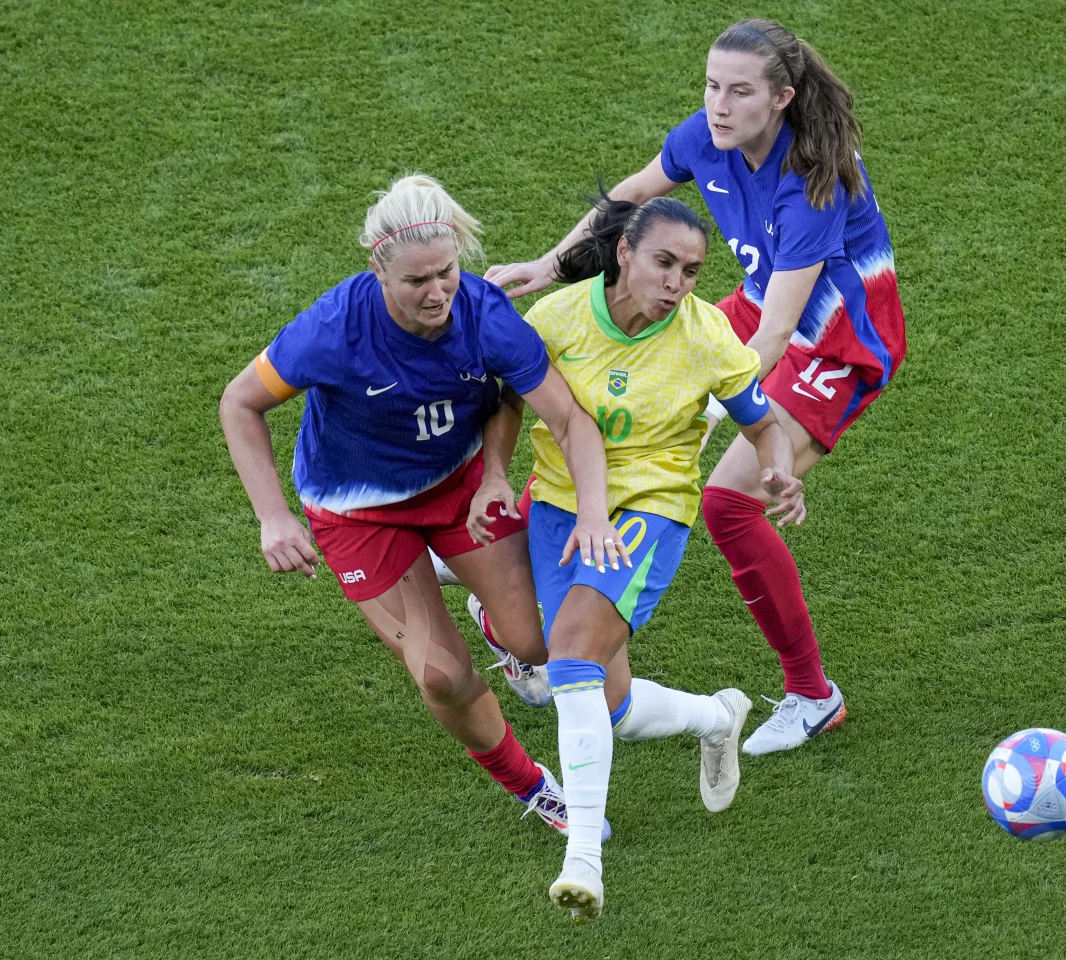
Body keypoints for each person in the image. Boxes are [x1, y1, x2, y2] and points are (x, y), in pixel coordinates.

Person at [485, 19, 906, 756]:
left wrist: (704, 410)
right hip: (762, 301)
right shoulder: (707, 137)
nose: (719, 104)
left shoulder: (814, 183)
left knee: (730, 504)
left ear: (781, 98)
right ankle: (532, 613)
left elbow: (776, 334)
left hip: (835, 340)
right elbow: (630, 201)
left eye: (739, 92)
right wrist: (548, 266)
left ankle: (813, 694)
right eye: (712, 86)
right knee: (604, 413)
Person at [219, 174, 627, 837]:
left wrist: (522, 483)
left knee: (537, 640)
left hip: (457, 489)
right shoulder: (333, 329)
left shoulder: (484, 313)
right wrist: (272, 515)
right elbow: (240, 403)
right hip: (358, 514)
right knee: (441, 675)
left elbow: (566, 419)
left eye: (446, 273)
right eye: (417, 282)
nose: (438, 292)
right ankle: (534, 786)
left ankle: (499, 630)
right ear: (378, 270)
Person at [516, 189, 804, 920]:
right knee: (603, 703)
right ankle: (715, 717)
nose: (677, 283)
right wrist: (491, 474)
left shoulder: (707, 338)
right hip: (557, 506)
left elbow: (763, 424)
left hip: (649, 508)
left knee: (572, 658)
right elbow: (505, 401)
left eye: (693, 270)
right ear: (624, 254)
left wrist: (779, 467)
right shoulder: (557, 318)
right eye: (664, 263)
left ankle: (583, 858)